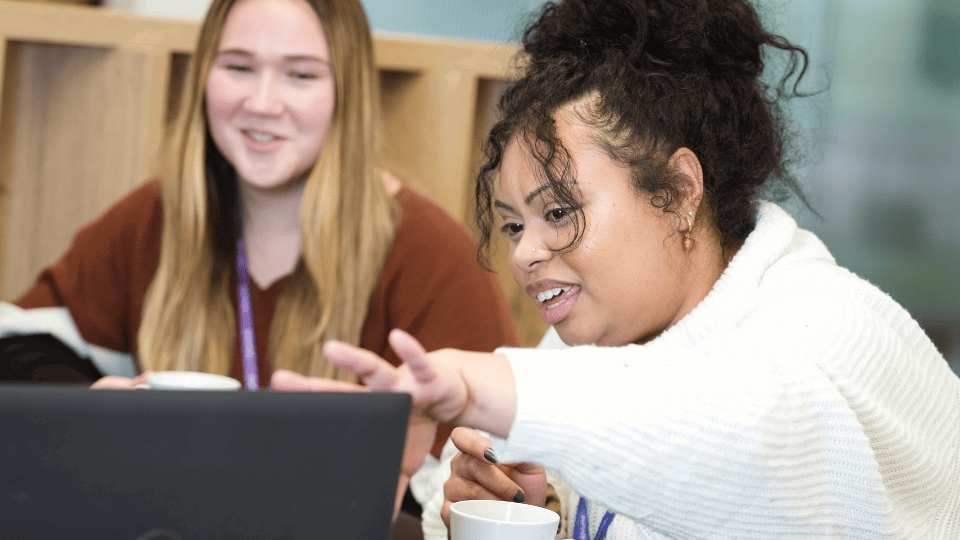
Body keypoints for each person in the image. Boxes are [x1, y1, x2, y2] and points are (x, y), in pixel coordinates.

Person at [271, 0, 960, 538]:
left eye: (560, 211)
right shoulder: (591, 336)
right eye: (513, 224)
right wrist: (532, 509)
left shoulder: (834, 325)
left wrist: (481, 385)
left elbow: (759, 450)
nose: (524, 254)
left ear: (679, 192)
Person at [0, 0, 518, 526]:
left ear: (349, 92)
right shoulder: (158, 216)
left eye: (300, 74)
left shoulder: (430, 254)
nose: (262, 102)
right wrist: (93, 406)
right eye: (238, 66)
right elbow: (15, 347)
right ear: (203, 75)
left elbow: (497, 479)